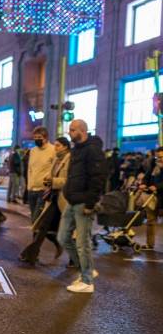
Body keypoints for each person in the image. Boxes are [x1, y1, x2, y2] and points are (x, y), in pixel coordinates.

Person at [58, 119, 107, 293]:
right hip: (72, 201)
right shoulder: (76, 150)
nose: (69, 133)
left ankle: (87, 281)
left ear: (82, 131)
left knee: (82, 242)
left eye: (72, 130)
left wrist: (90, 203)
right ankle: (87, 270)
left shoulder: (92, 150)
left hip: (84, 203)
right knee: (63, 238)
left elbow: (98, 178)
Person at [19, 137, 70, 264]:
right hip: (53, 198)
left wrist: (53, 181)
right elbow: (50, 175)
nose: (56, 148)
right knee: (42, 226)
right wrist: (48, 179)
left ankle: (74, 259)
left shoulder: (69, 159)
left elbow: (68, 180)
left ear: (65, 146)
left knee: (67, 231)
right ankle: (31, 254)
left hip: (64, 200)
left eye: (58, 145)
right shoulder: (57, 158)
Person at [27, 127, 56, 222]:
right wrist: (29, 186)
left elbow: (55, 169)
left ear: (46, 137)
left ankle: (37, 236)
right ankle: (36, 236)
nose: (36, 139)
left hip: (43, 190)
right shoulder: (33, 151)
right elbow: (30, 169)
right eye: (35, 137)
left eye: (39, 137)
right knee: (33, 218)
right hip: (32, 190)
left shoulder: (53, 150)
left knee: (37, 219)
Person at [138, 146, 163, 250]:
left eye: (162, 157)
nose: (160, 159)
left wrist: (157, 186)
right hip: (152, 198)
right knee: (150, 221)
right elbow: (146, 177)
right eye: (158, 157)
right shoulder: (154, 166)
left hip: (161, 196)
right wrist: (144, 184)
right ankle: (149, 244)